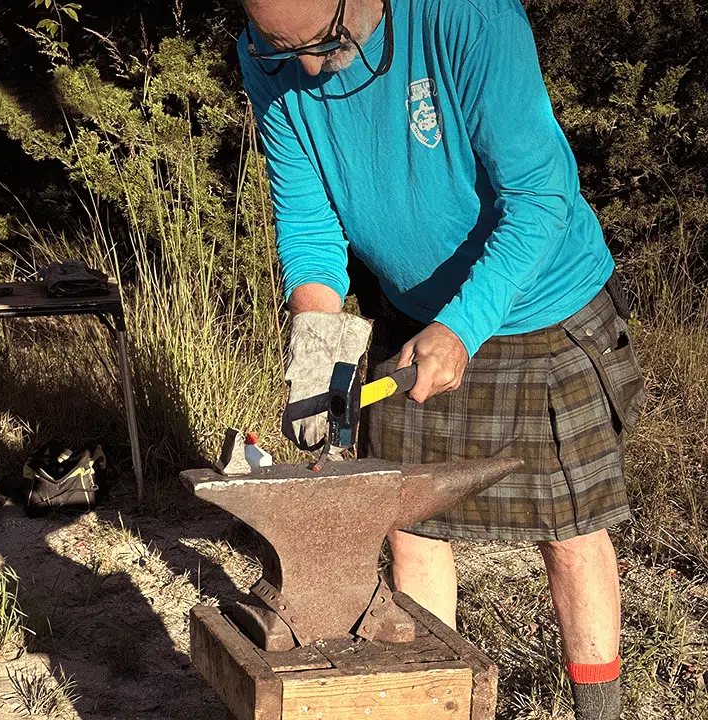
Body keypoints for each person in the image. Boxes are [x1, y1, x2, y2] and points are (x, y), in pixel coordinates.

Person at [237, 1, 646, 717]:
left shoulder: (468, 17)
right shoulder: (265, 51)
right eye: (277, 49)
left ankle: (601, 713)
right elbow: (308, 221)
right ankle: (433, 705)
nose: (301, 68)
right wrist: (317, 361)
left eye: (323, 43)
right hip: (414, 313)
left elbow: (540, 194)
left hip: (541, 301)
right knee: (409, 529)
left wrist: (464, 325)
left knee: (572, 534)